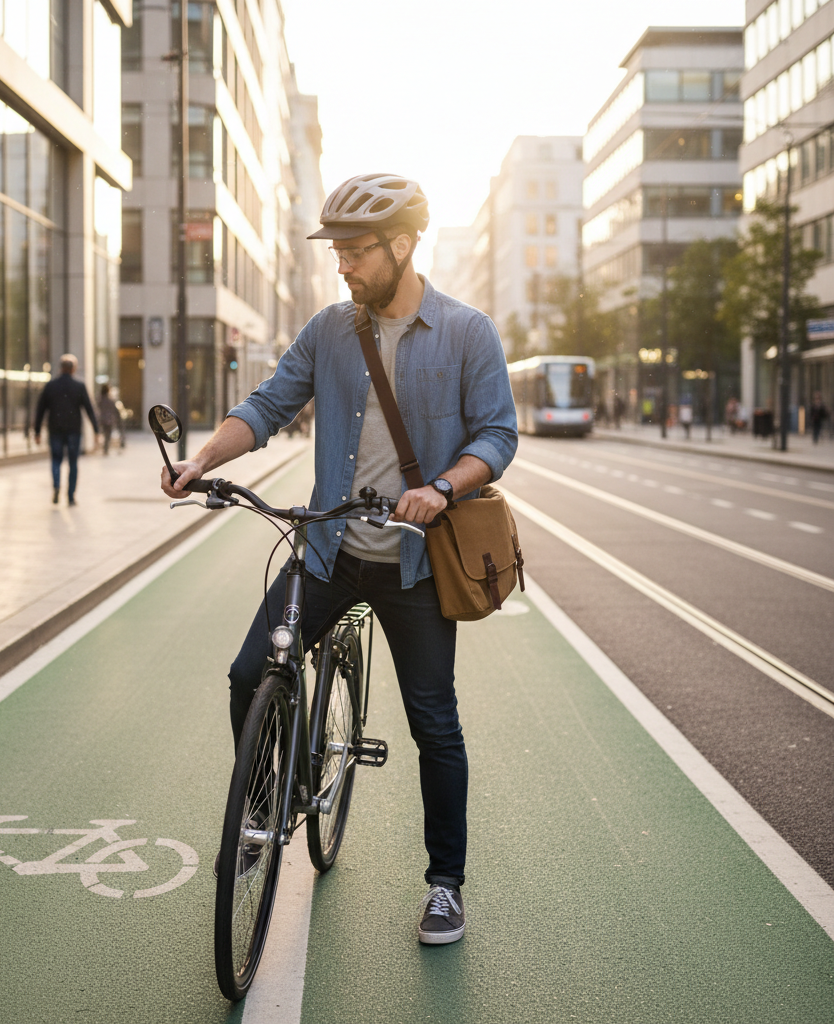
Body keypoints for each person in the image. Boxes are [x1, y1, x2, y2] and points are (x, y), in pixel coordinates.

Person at [161, 173, 518, 945]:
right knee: (248, 672)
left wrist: (446, 488)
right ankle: (263, 811)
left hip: (417, 563)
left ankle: (446, 885)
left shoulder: (466, 332)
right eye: (338, 252)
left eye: (356, 251)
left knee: (435, 723)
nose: (343, 265)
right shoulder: (329, 329)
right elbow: (266, 406)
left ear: (403, 245)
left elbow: (497, 434)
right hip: (328, 551)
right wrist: (200, 461)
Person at [34, 354, 99, 505]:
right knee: (73, 463)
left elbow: (40, 410)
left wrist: (37, 431)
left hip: (55, 429)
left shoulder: (51, 386)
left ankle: (56, 486)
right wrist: (96, 430)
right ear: (73, 369)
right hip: (73, 431)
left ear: (60, 368)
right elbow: (89, 409)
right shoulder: (79, 386)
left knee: (56, 460)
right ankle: (71, 496)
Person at [98, 383, 125, 455]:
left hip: (102, 419)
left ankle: (105, 448)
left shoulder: (100, 399)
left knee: (105, 434)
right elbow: (115, 410)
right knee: (107, 435)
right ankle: (105, 449)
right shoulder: (110, 400)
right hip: (109, 420)